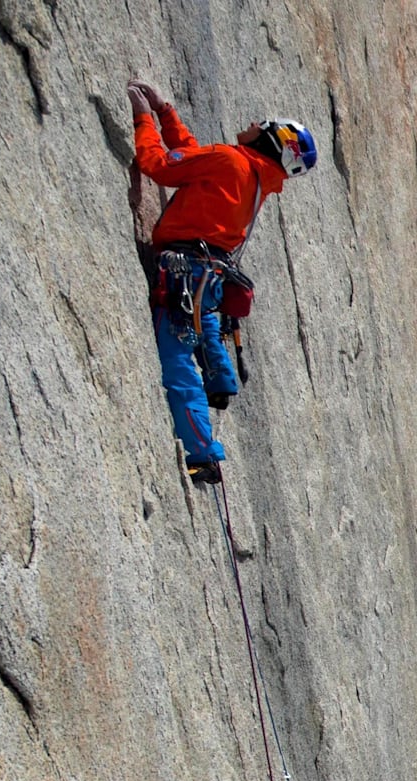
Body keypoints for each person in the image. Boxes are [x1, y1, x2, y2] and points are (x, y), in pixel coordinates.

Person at [127, 80, 317, 484]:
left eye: (261, 124)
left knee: (177, 360)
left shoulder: (232, 160)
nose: (251, 122)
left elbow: (160, 166)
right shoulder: (255, 178)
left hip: (184, 270)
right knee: (201, 324)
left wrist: (144, 118)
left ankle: (202, 454)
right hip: (205, 273)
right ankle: (220, 378)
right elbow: (197, 160)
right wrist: (165, 113)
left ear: (269, 140)